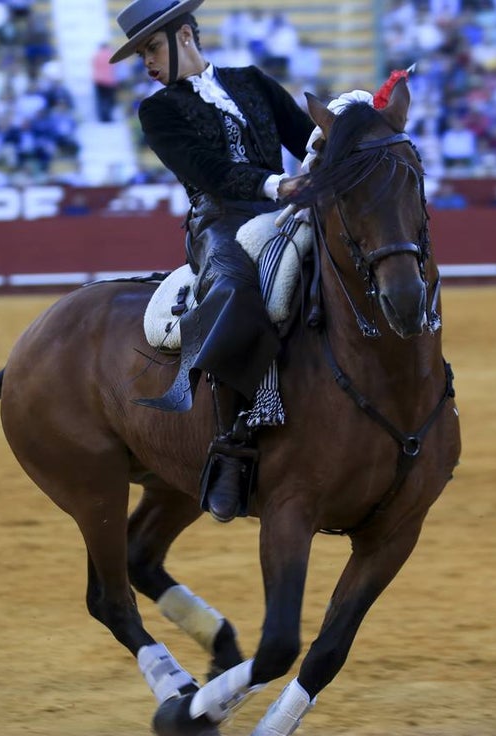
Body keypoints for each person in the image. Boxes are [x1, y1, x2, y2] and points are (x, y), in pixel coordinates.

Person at [108, 0, 314, 523]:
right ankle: (232, 444)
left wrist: (346, 129)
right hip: (217, 220)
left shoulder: (253, 81)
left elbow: (306, 135)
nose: (148, 64)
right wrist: (276, 182)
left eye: (151, 48)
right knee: (236, 287)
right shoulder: (157, 110)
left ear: (183, 36)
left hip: (281, 209)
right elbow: (207, 169)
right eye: (141, 54)